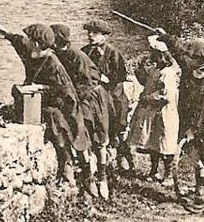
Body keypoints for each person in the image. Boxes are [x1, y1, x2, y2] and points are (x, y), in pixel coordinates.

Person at [0, 22, 91, 185]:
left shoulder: (53, 64)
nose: (26, 41)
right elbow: (18, 41)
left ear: (38, 44)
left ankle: (68, 162)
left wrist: (40, 87)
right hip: (37, 98)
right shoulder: (32, 51)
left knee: (55, 118)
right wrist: (5, 33)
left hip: (58, 102)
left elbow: (65, 92)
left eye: (30, 39)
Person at [156, 27, 204, 216]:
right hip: (189, 120)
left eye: (191, 57)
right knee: (193, 154)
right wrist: (166, 36)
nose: (187, 59)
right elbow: (179, 51)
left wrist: (193, 131)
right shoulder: (189, 68)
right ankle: (199, 188)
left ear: (200, 61)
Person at [51, 23, 112, 199]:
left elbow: (88, 81)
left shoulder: (77, 56)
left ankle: (102, 177)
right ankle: (88, 176)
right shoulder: (59, 54)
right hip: (80, 98)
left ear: (59, 41)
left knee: (100, 138)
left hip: (92, 98)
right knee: (81, 134)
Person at [127, 35, 181, 182]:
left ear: (159, 54)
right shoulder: (157, 69)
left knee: (165, 143)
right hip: (154, 112)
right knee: (154, 142)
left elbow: (165, 95)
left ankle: (168, 175)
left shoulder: (167, 73)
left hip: (164, 112)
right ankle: (154, 171)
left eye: (152, 52)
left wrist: (147, 98)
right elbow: (146, 81)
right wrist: (140, 68)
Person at [81, 19, 130, 161]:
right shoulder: (85, 51)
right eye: (89, 32)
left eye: (95, 33)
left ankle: (123, 157)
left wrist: (105, 77)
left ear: (105, 36)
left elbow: (121, 75)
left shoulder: (113, 53)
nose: (90, 35)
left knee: (117, 126)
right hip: (94, 95)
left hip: (112, 94)